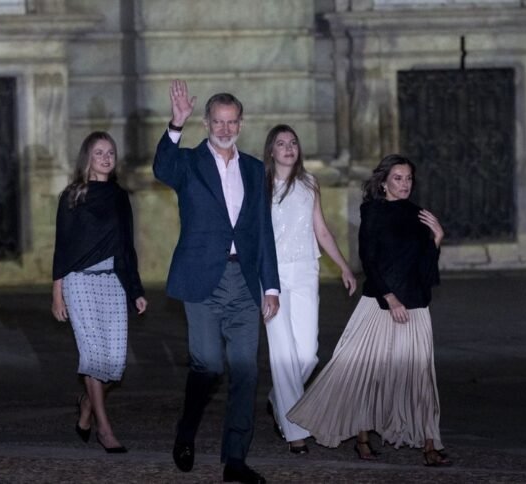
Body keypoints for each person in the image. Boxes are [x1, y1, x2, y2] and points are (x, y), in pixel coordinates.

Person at [286, 154, 452, 467]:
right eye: (398, 178)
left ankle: (430, 443)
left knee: (420, 379)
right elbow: (370, 260)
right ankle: (362, 437)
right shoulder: (373, 211)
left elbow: (427, 274)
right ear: (384, 181)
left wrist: (437, 239)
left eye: (409, 179)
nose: (405, 184)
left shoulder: (419, 215)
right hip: (380, 303)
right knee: (367, 375)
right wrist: (390, 299)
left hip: (415, 306)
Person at [153, 79, 280, 484]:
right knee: (207, 364)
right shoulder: (188, 163)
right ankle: (186, 432)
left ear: (241, 123)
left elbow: (263, 231)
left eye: (232, 122)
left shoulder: (255, 169)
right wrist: (175, 125)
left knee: (246, 372)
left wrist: (271, 287)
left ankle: (235, 461)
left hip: (244, 281)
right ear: (206, 123)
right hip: (201, 279)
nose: (225, 129)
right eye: (218, 122)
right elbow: (161, 168)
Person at [51, 131, 148, 454]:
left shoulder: (120, 197)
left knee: (115, 364)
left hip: (113, 282)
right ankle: (105, 430)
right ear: (87, 158)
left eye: (110, 152)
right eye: (99, 153)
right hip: (79, 282)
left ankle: (87, 405)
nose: (106, 158)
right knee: (94, 359)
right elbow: (62, 246)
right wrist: (57, 292)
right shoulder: (73, 195)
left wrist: (136, 289)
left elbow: (126, 247)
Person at [261, 124, 356, 454]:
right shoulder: (260, 185)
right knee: (283, 353)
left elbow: (322, 230)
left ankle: (277, 398)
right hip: (272, 276)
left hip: (305, 271)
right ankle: (294, 431)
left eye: (293, 142)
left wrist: (344, 267)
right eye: (281, 143)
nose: (288, 148)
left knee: (307, 354)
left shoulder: (309, 183)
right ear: (271, 151)